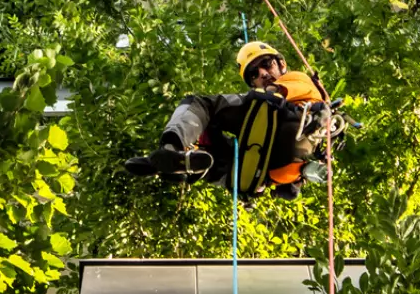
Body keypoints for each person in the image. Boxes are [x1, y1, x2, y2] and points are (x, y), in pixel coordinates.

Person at [125, 40, 334, 200]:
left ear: (281, 64)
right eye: (254, 74)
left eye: (266, 64)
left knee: (201, 103)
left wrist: (268, 91)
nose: (262, 73)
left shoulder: (300, 79)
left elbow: (280, 92)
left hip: (291, 124)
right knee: (212, 140)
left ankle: (174, 150)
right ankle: (180, 160)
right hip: (269, 168)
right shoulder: (259, 108)